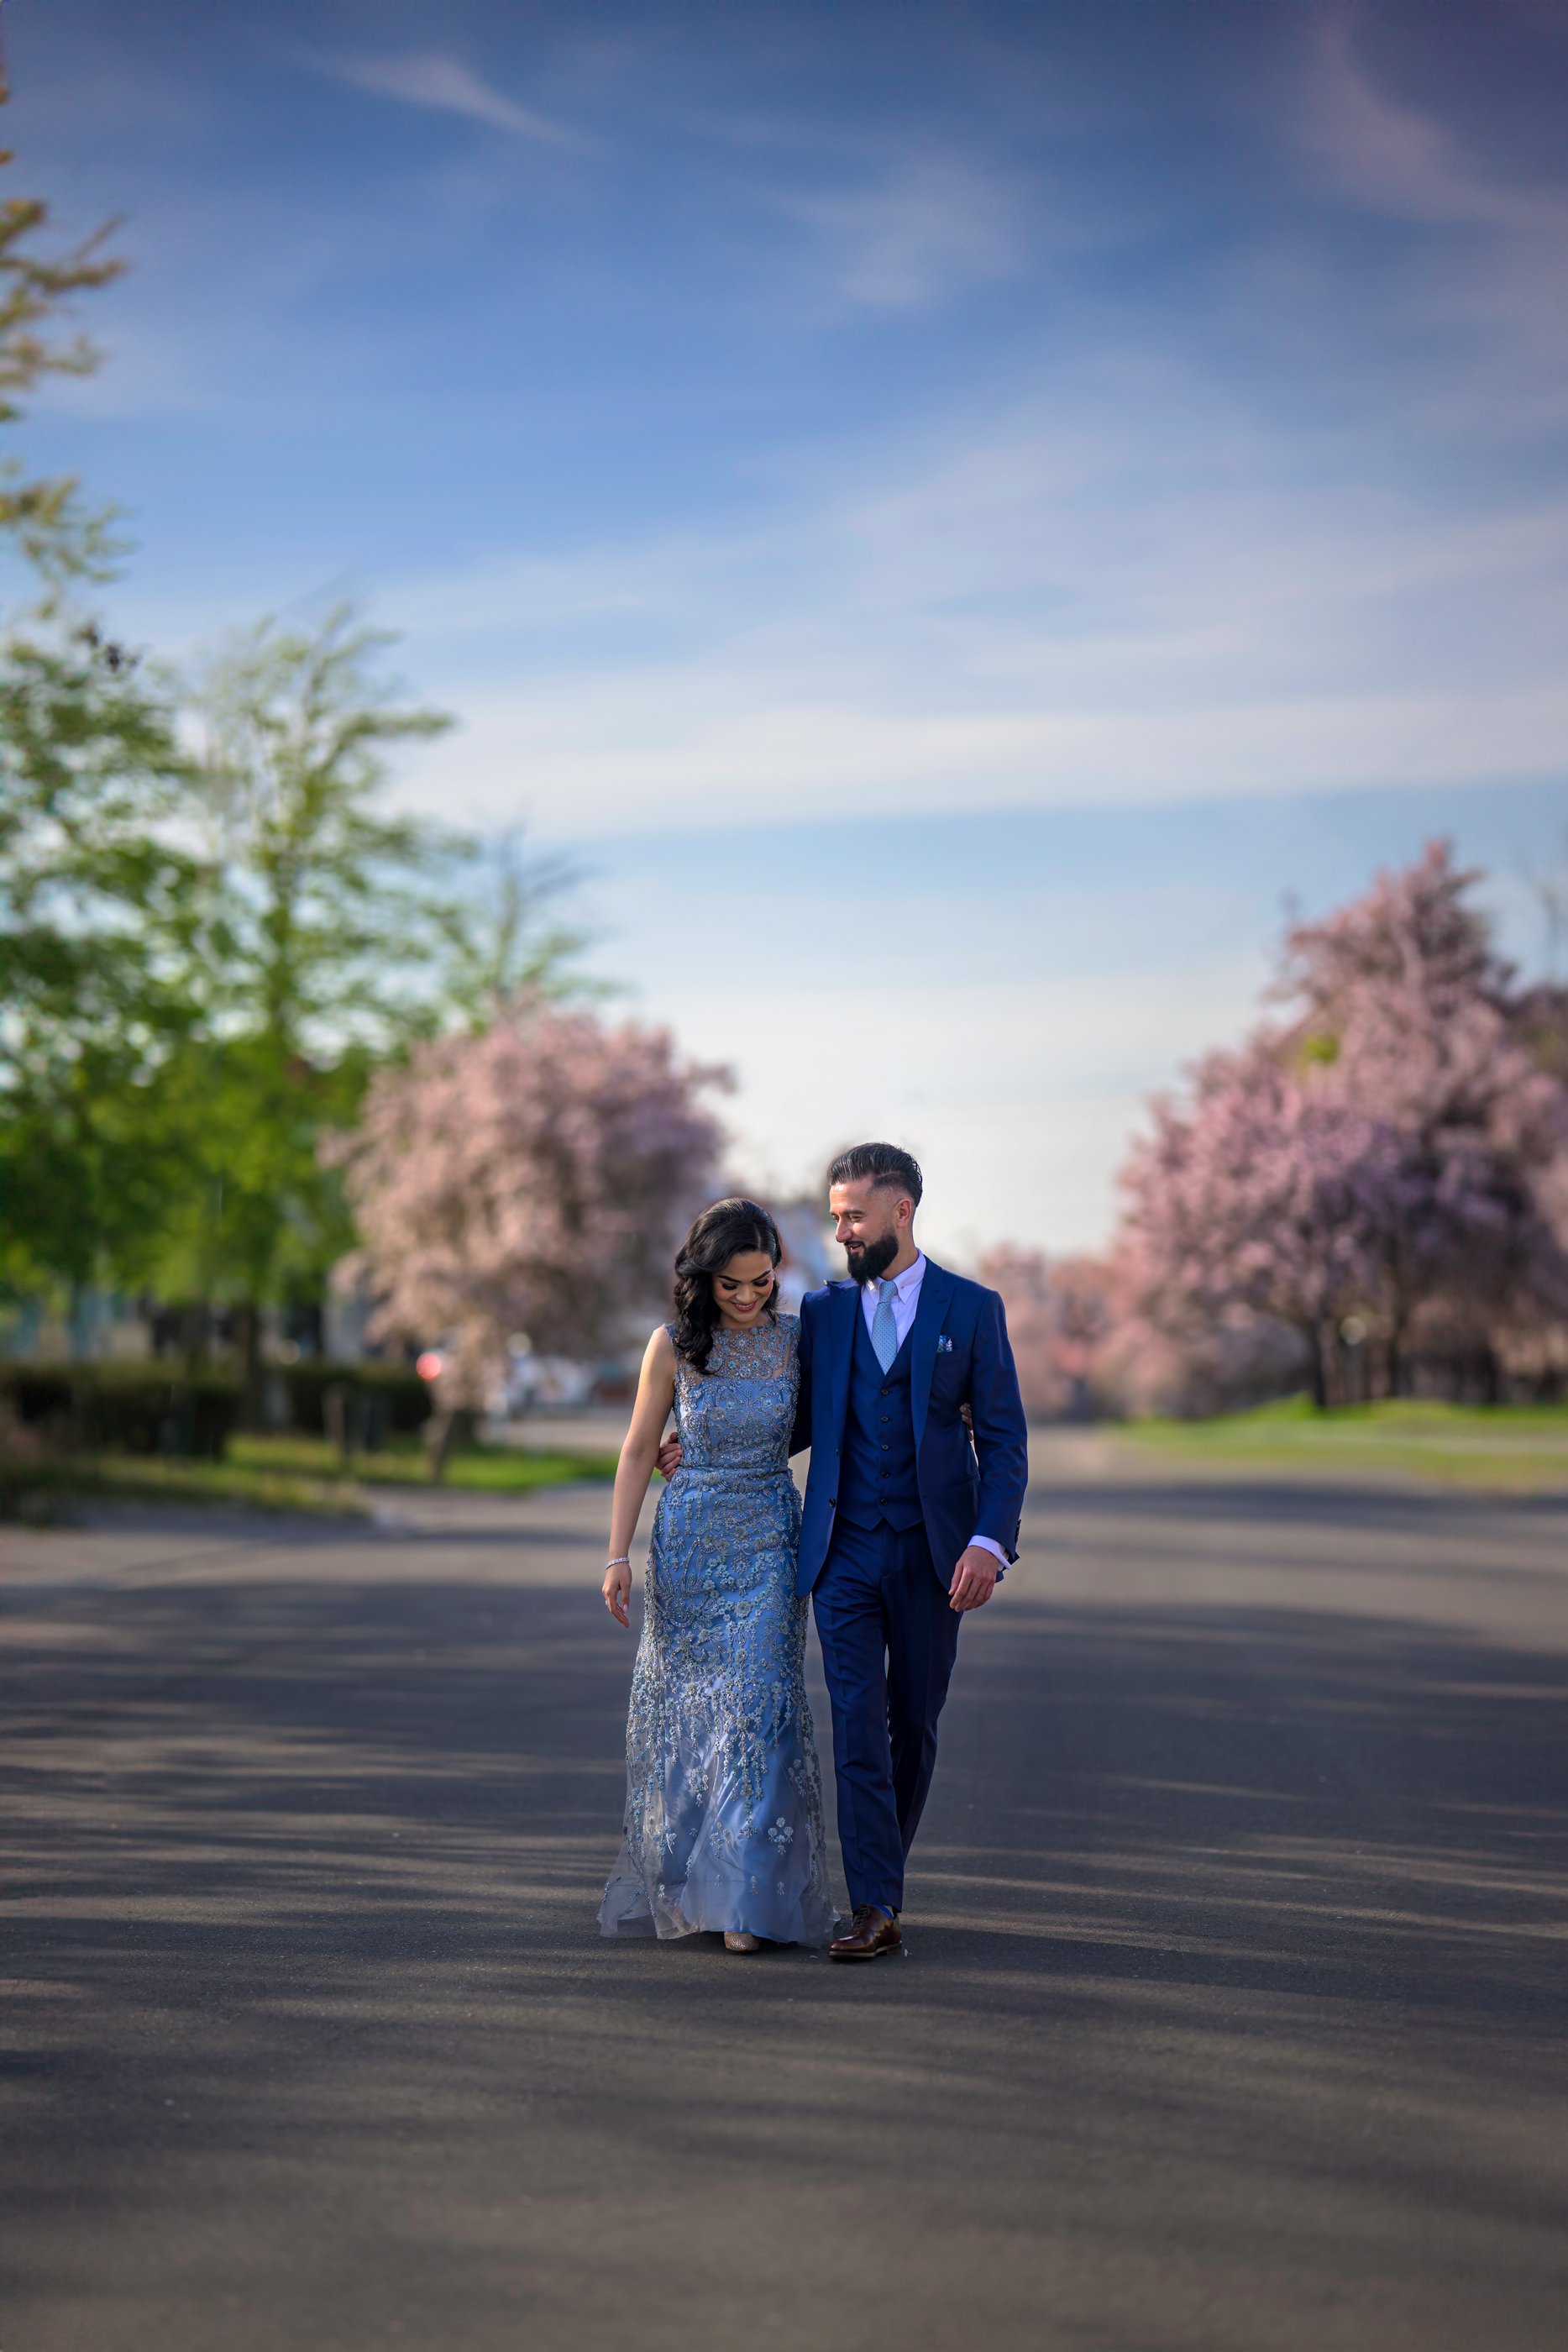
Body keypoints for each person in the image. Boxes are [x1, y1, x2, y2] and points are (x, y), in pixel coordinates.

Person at [659, 1143, 1029, 1962]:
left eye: (853, 1214)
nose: (842, 1230)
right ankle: (874, 1904)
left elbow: (1003, 1441)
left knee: (913, 1724)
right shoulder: (821, 1315)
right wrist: (697, 1443)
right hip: (843, 1550)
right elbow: (792, 1421)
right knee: (857, 1721)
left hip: (936, 1553)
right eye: (834, 1216)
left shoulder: (971, 1310)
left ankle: (880, 1877)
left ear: (901, 1209)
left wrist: (986, 1541)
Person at [598, 1198, 835, 1953]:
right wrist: (616, 1554)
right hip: (690, 1542)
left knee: (756, 1713)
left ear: (777, 1271)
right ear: (703, 1279)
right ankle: (698, 1883)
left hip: (769, 1538)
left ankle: (744, 1900)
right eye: (728, 1285)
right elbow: (638, 1451)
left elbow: (840, 1417)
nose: (744, 1297)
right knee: (694, 1716)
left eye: (759, 1282)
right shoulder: (671, 1346)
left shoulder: (799, 1342)